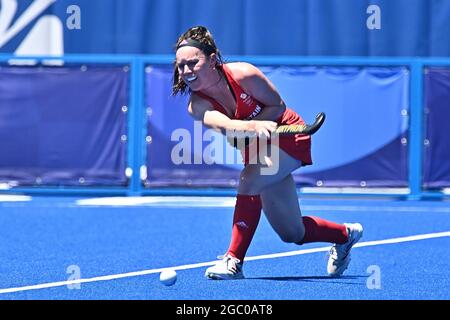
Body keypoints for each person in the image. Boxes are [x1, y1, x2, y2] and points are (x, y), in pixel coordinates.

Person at [172, 26, 363, 280]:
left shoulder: (243, 74)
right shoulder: (197, 105)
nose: (186, 72)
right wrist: (251, 127)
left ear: (213, 59)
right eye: (181, 65)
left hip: (289, 134)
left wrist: (258, 123)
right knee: (292, 233)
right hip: (257, 147)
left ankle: (233, 262)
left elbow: (277, 105)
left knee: (249, 179)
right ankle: (345, 235)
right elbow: (224, 125)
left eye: (193, 63)